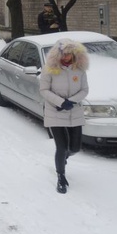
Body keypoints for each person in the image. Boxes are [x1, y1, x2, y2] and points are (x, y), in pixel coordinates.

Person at [39, 38, 89, 194]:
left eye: (69, 54)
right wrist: (60, 102)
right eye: (64, 54)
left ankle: (64, 158)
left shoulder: (79, 70)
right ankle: (61, 177)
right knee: (61, 147)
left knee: (75, 147)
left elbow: (84, 90)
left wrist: (70, 101)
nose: (66, 57)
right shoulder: (49, 69)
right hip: (55, 112)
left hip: (74, 110)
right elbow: (44, 90)